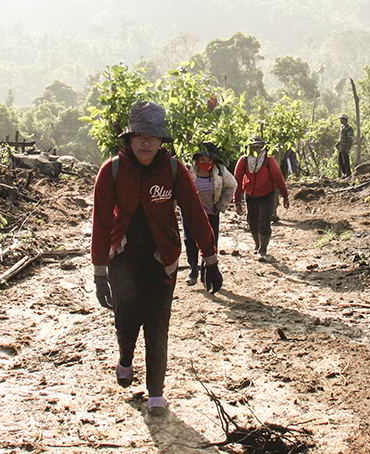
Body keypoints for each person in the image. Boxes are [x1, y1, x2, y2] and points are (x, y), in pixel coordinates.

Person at [91, 101, 223, 417]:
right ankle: (125, 358)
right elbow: (101, 222)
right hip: (123, 261)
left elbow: (194, 213)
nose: (146, 143)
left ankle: (156, 393)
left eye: (153, 136)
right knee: (125, 321)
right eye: (139, 136)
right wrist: (99, 272)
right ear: (129, 138)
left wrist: (211, 258)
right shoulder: (112, 171)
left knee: (157, 325)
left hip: (162, 261)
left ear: (161, 139)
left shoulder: (174, 170)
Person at [183, 142, 237, 285]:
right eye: (202, 160)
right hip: (191, 213)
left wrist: (221, 205)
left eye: (209, 161)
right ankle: (193, 269)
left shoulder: (219, 171)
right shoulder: (189, 170)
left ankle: (207, 272)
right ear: (197, 160)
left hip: (211, 213)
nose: (206, 163)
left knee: (210, 243)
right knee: (190, 242)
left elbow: (232, 185)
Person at [233, 136, 290, 261]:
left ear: (263, 148)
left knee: (264, 222)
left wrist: (285, 196)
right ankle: (257, 245)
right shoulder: (244, 161)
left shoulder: (269, 161)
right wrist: (237, 202)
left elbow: (278, 179)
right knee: (252, 221)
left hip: (267, 194)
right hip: (250, 195)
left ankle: (263, 249)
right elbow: (237, 181)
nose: (256, 149)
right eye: (253, 147)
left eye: (258, 147)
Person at [335, 113, 353, 177]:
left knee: (346, 161)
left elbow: (350, 139)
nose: (340, 121)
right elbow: (341, 137)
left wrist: (348, 148)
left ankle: (348, 173)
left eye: (341, 119)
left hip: (345, 147)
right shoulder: (342, 127)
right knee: (340, 161)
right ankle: (345, 173)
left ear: (345, 120)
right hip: (341, 147)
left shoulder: (349, 128)